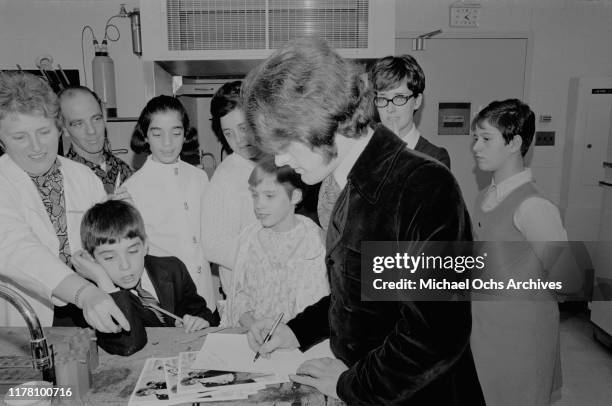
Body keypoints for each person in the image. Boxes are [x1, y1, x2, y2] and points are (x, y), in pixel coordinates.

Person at [242, 38, 484, 405]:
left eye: (286, 145)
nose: (279, 162)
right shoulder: (345, 182)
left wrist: (350, 384)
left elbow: (435, 334)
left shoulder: (425, 187)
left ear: (322, 122)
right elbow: (356, 296)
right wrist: (294, 331)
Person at [0, 72, 129, 333]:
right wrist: (84, 293)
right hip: (30, 316)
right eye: (20, 137)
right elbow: (17, 249)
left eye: (44, 131)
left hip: (90, 310)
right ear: (1, 141)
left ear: (60, 128)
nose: (36, 146)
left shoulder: (83, 177)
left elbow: (102, 246)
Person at [470, 98, 565, 406]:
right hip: (484, 331)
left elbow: (566, 278)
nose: (476, 147)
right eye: (476, 138)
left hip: (521, 337)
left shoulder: (533, 207)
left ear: (515, 143)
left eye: (486, 139)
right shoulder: (484, 197)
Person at [317, 54, 450, 236]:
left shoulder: (435, 156)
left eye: (399, 98)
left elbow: (422, 221)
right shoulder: (360, 146)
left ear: (417, 100)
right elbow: (336, 212)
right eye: (382, 98)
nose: (390, 108)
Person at [71, 199, 218, 355]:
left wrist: (200, 321)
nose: (125, 265)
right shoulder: (91, 297)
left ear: (145, 245)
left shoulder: (173, 269)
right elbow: (129, 344)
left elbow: (201, 311)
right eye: (109, 258)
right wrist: (104, 281)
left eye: (132, 251)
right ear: (91, 259)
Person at [123, 95, 217, 314]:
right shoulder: (132, 190)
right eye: (157, 133)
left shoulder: (199, 177)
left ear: (185, 135)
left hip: (206, 296)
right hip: (167, 302)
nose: (167, 143)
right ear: (145, 136)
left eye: (176, 133)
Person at [221, 155, 328, 328]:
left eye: (269, 196)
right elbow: (239, 296)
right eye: (255, 195)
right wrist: (253, 325)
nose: (259, 205)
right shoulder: (249, 238)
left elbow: (318, 306)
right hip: (254, 338)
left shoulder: (314, 242)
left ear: (295, 197)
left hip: (299, 342)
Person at [201, 81, 257, 295]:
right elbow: (213, 246)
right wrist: (268, 258)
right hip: (246, 293)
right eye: (229, 133)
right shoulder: (225, 178)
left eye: (243, 128)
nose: (239, 140)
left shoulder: (280, 161)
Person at [58, 86, 132, 194]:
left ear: (104, 117)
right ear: (63, 128)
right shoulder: (63, 180)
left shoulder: (123, 169)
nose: (91, 131)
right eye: (79, 124)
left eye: (96, 119)